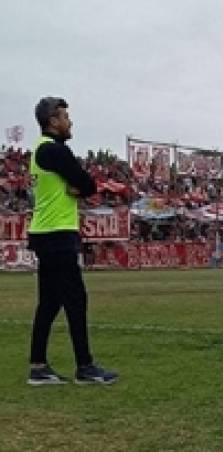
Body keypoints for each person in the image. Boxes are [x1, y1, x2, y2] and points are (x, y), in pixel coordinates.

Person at [26, 97, 118, 386]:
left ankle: (38, 366)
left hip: (46, 232)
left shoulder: (43, 150)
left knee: (51, 302)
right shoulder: (54, 151)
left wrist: (78, 186)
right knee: (75, 298)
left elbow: (82, 183)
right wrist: (80, 189)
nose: (70, 121)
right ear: (52, 121)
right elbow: (88, 184)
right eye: (65, 116)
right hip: (57, 232)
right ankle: (85, 366)